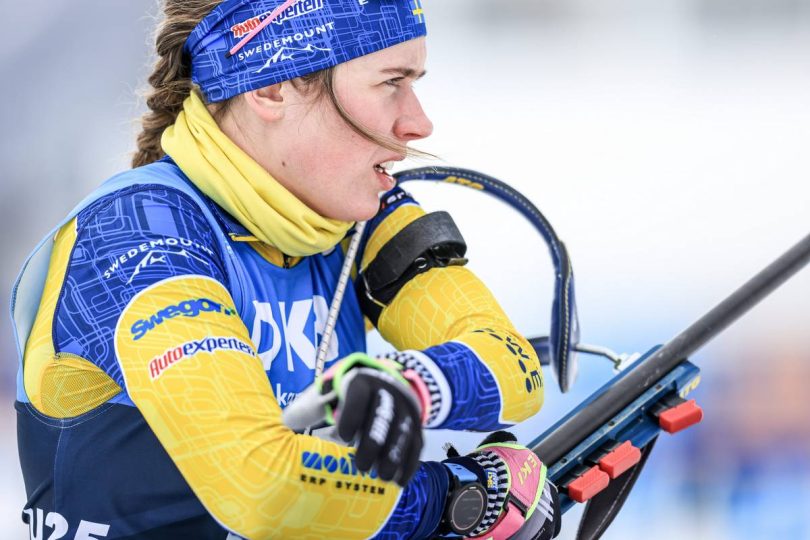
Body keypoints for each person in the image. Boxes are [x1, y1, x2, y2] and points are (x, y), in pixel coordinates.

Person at [11, 1, 561, 538]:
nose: (418, 123)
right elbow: (262, 489)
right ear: (271, 88)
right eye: (391, 82)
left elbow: (514, 366)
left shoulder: (348, 214)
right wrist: (455, 497)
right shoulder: (135, 231)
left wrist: (414, 384)